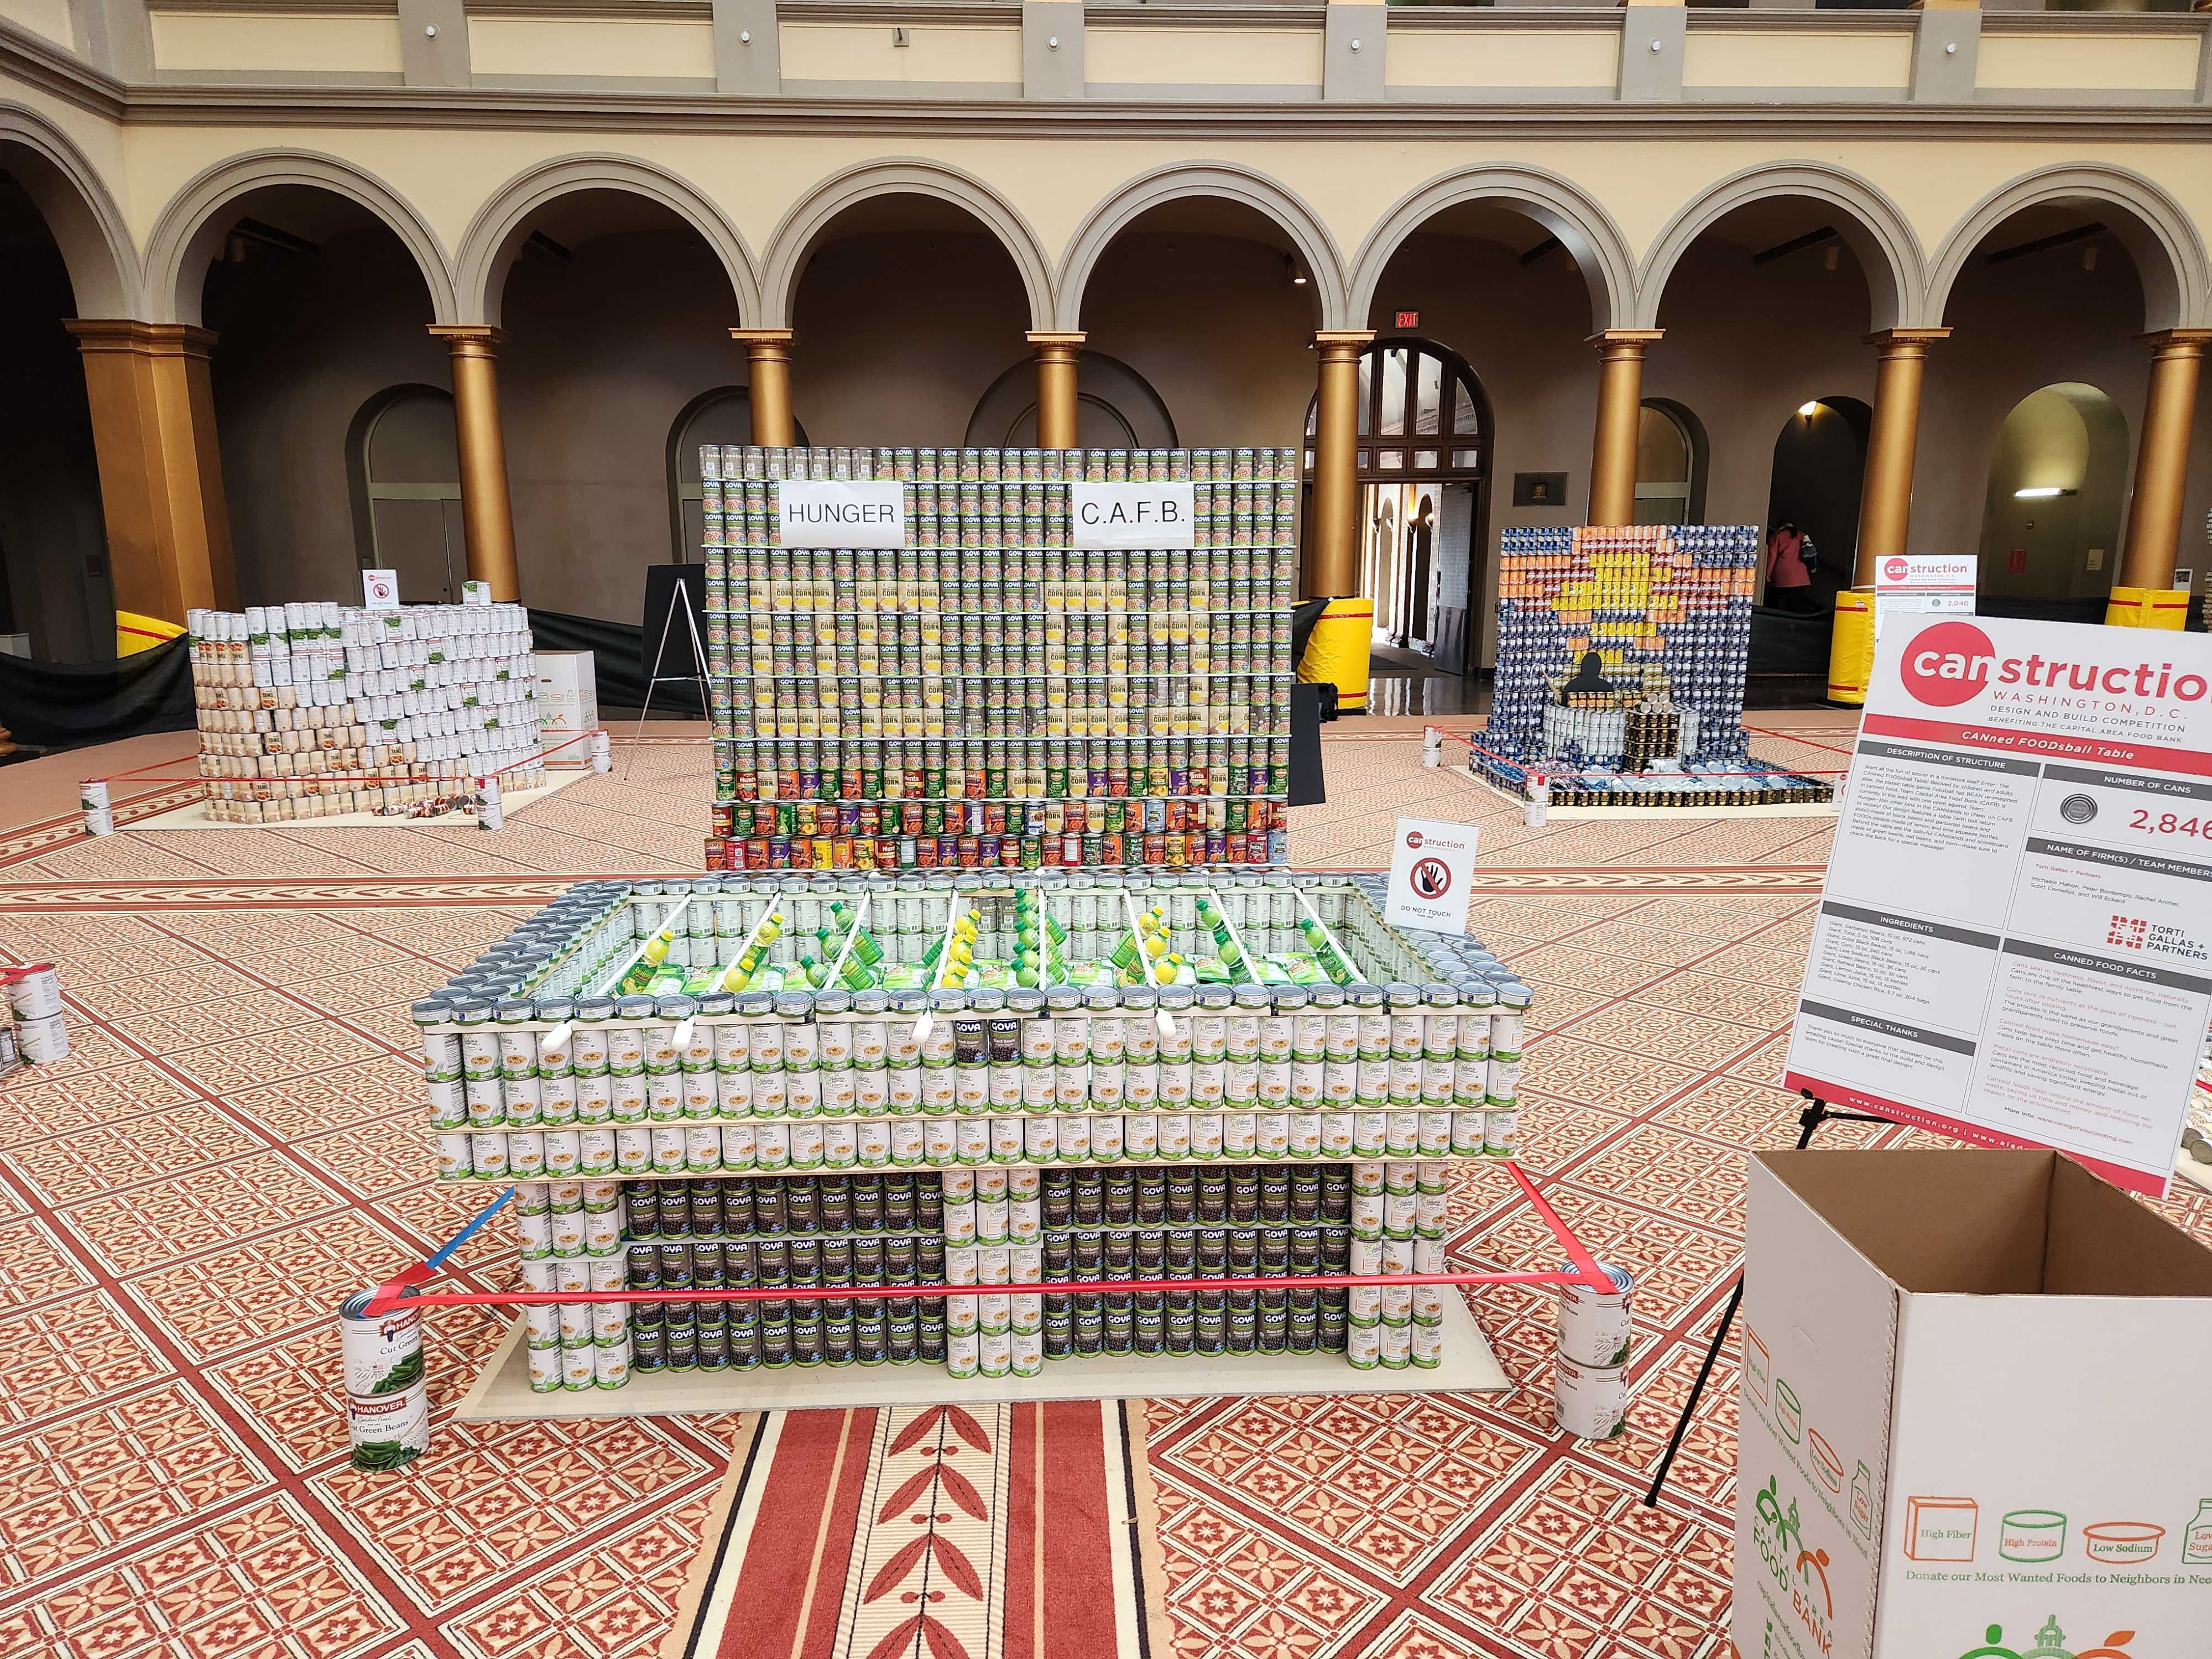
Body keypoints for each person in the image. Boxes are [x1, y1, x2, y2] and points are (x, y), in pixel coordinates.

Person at [1765, 520, 1819, 614]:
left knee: (1774, 601)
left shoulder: (1778, 536)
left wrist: (1768, 573)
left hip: (1782, 575)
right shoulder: (1801, 535)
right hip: (1800, 577)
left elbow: (1772, 556)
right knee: (1796, 605)